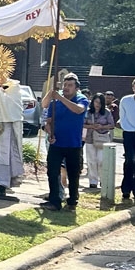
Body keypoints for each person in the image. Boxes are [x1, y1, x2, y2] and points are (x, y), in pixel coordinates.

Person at [40, 73, 89, 211]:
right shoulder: (55, 103)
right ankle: (54, 200)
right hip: (56, 143)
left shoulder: (81, 99)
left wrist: (60, 97)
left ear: (76, 88)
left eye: (70, 85)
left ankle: (72, 201)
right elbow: (48, 120)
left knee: (73, 174)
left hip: (73, 144)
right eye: (64, 85)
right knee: (52, 172)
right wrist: (50, 133)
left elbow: (79, 110)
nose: (66, 88)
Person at [83, 93, 114, 190]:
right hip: (90, 138)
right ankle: (93, 181)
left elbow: (112, 125)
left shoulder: (107, 112)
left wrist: (102, 126)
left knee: (101, 160)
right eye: (96, 102)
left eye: (100, 103)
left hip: (102, 138)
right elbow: (82, 124)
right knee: (91, 160)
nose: (98, 104)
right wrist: (91, 126)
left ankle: (103, 179)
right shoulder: (88, 112)